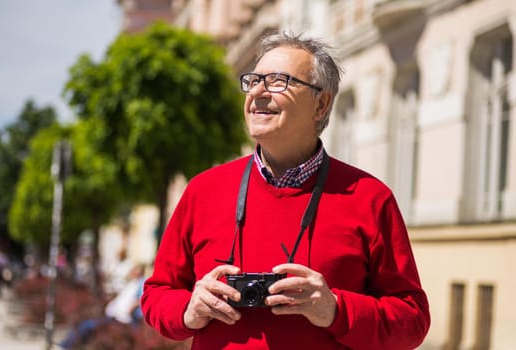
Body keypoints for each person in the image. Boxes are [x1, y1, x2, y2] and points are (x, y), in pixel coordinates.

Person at [141, 32, 430, 349]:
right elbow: (157, 294)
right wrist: (189, 311)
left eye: (279, 81)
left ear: (321, 104)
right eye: (254, 81)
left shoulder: (370, 198)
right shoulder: (203, 191)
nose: (259, 92)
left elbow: (412, 320)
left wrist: (335, 309)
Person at [60, 264, 146, 349]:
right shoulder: (132, 283)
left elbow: (144, 298)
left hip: (121, 320)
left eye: (135, 269)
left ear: (140, 271)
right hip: (113, 315)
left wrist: (132, 306)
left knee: (87, 326)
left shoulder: (142, 283)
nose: (132, 271)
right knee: (83, 323)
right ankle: (66, 345)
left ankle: (65, 346)